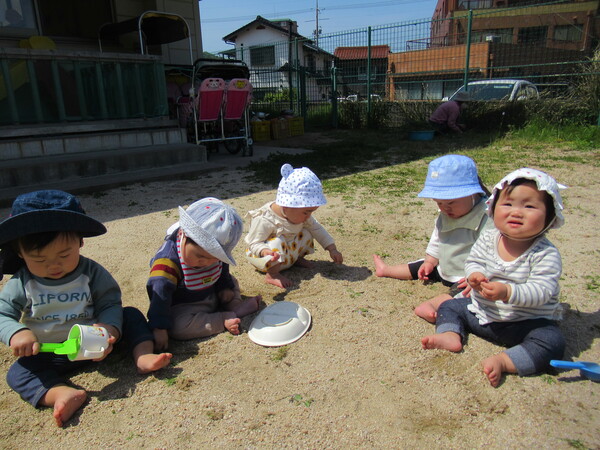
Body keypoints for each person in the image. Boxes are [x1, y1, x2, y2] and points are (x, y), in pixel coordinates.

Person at [0, 190, 172, 427]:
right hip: (51, 352)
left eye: (64, 254)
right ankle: (61, 393)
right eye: (39, 260)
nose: (54, 265)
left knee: (130, 315)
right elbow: (3, 313)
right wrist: (16, 332)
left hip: (97, 344)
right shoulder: (22, 282)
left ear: (80, 242)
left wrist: (109, 328)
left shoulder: (90, 272)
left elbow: (109, 301)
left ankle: (142, 355)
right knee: (18, 373)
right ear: (20, 253)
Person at [421, 168, 566, 387]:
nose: (516, 212)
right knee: (450, 306)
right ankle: (450, 335)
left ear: (550, 216)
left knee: (552, 341)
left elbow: (542, 291)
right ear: (493, 207)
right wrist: (474, 276)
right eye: (507, 204)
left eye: (529, 206)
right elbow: (473, 261)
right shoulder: (489, 238)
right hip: (482, 313)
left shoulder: (545, 253)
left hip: (525, 323)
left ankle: (506, 361)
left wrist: (509, 292)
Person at [373, 154, 492, 323]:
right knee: (419, 265)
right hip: (444, 264)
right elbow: (438, 238)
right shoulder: (445, 214)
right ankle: (386, 270)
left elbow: (493, 251)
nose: (444, 208)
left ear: (473, 193)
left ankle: (432, 305)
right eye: (439, 203)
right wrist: (430, 261)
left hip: (465, 275)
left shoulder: (486, 216)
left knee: (464, 292)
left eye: (450, 203)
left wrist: (478, 274)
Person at [147, 197, 261, 350]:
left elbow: (223, 268)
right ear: (184, 236)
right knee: (177, 327)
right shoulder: (167, 262)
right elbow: (159, 296)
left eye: (213, 259)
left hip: (212, 290)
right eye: (200, 257)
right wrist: (159, 327)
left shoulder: (211, 257)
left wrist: (224, 287)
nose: (206, 263)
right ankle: (223, 318)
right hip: (185, 305)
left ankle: (234, 305)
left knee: (231, 281)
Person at [245, 163, 343, 289]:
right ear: (287, 205)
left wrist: (332, 249)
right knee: (276, 241)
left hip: (287, 255)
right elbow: (253, 243)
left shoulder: (301, 216)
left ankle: (296, 259)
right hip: (265, 260)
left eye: (311, 212)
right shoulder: (265, 218)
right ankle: (273, 275)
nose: (308, 216)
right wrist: (265, 251)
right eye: (306, 212)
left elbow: (317, 229)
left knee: (307, 232)